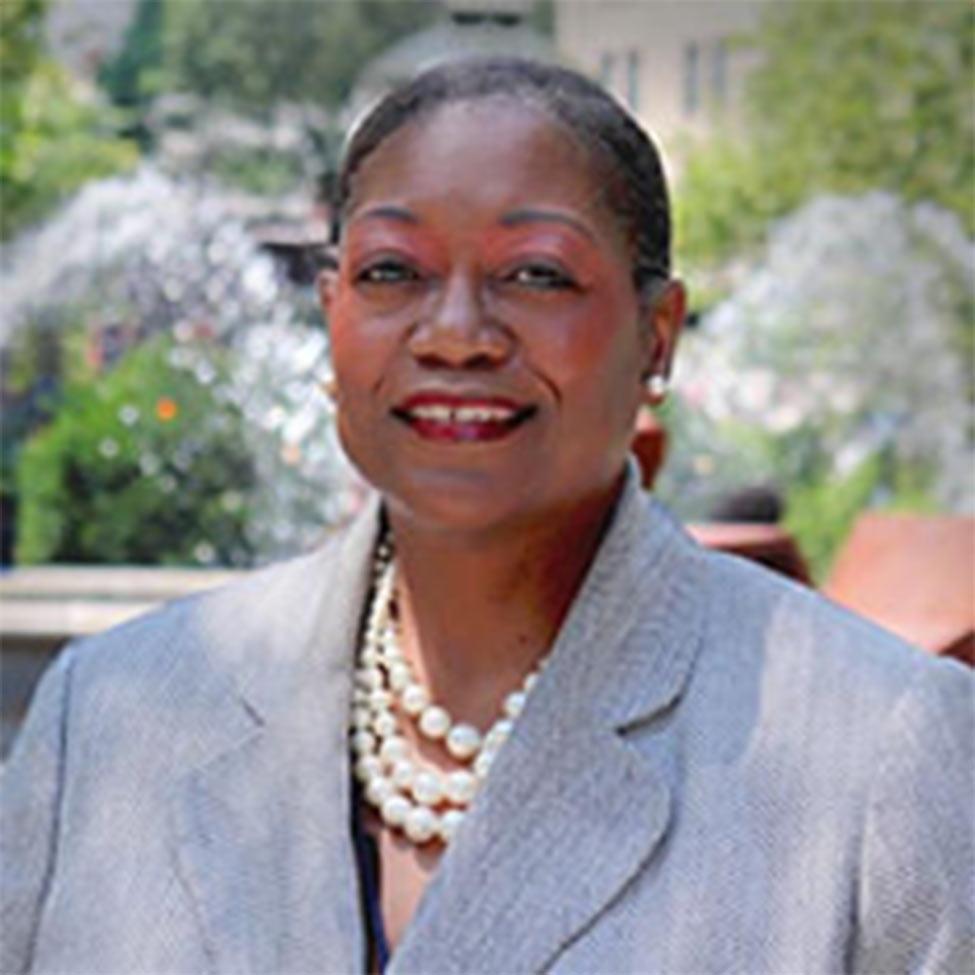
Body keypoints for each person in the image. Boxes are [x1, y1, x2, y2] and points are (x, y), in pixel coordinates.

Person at [2, 57, 972, 975]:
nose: (456, 333)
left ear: (659, 337)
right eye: (393, 272)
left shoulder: (875, 745)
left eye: (536, 273)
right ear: (331, 308)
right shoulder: (112, 713)